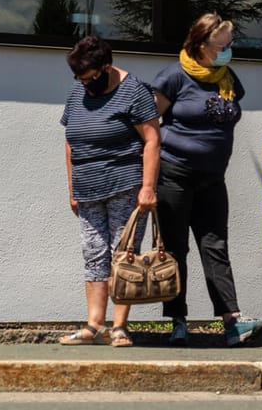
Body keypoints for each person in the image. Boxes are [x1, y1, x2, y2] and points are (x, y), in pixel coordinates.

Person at [149, 13, 262, 347]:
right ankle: (177, 321)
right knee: (175, 249)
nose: (227, 49)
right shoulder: (174, 77)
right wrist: (146, 180)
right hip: (174, 174)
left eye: (230, 44)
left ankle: (232, 323)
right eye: (222, 45)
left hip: (212, 178)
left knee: (215, 245)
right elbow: (148, 126)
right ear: (201, 44)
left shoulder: (227, 77)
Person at [59, 36, 160, 348]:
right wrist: (72, 187)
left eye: (90, 77)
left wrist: (147, 187)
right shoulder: (78, 93)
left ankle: (119, 326)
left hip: (125, 185)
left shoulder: (135, 91)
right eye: (80, 78)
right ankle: (93, 325)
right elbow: (70, 140)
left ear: (106, 67)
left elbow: (152, 140)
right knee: (93, 254)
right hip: (88, 189)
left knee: (123, 254)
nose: (85, 84)